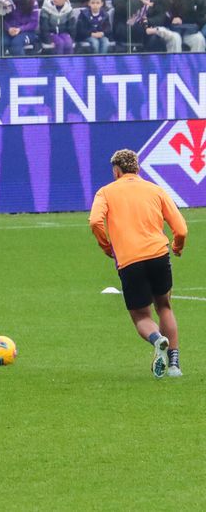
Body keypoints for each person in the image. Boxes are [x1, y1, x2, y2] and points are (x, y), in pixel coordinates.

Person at [88, 148, 188, 378]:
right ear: (138, 169)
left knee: (142, 316)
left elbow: (95, 221)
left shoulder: (105, 192)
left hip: (129, 260)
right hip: (158, 255)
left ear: (116, 171)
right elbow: (181, 229)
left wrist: (106, 246)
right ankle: (174, 364)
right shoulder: (156, 190)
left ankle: (157, 339)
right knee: (164, 306)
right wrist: (177, 247)